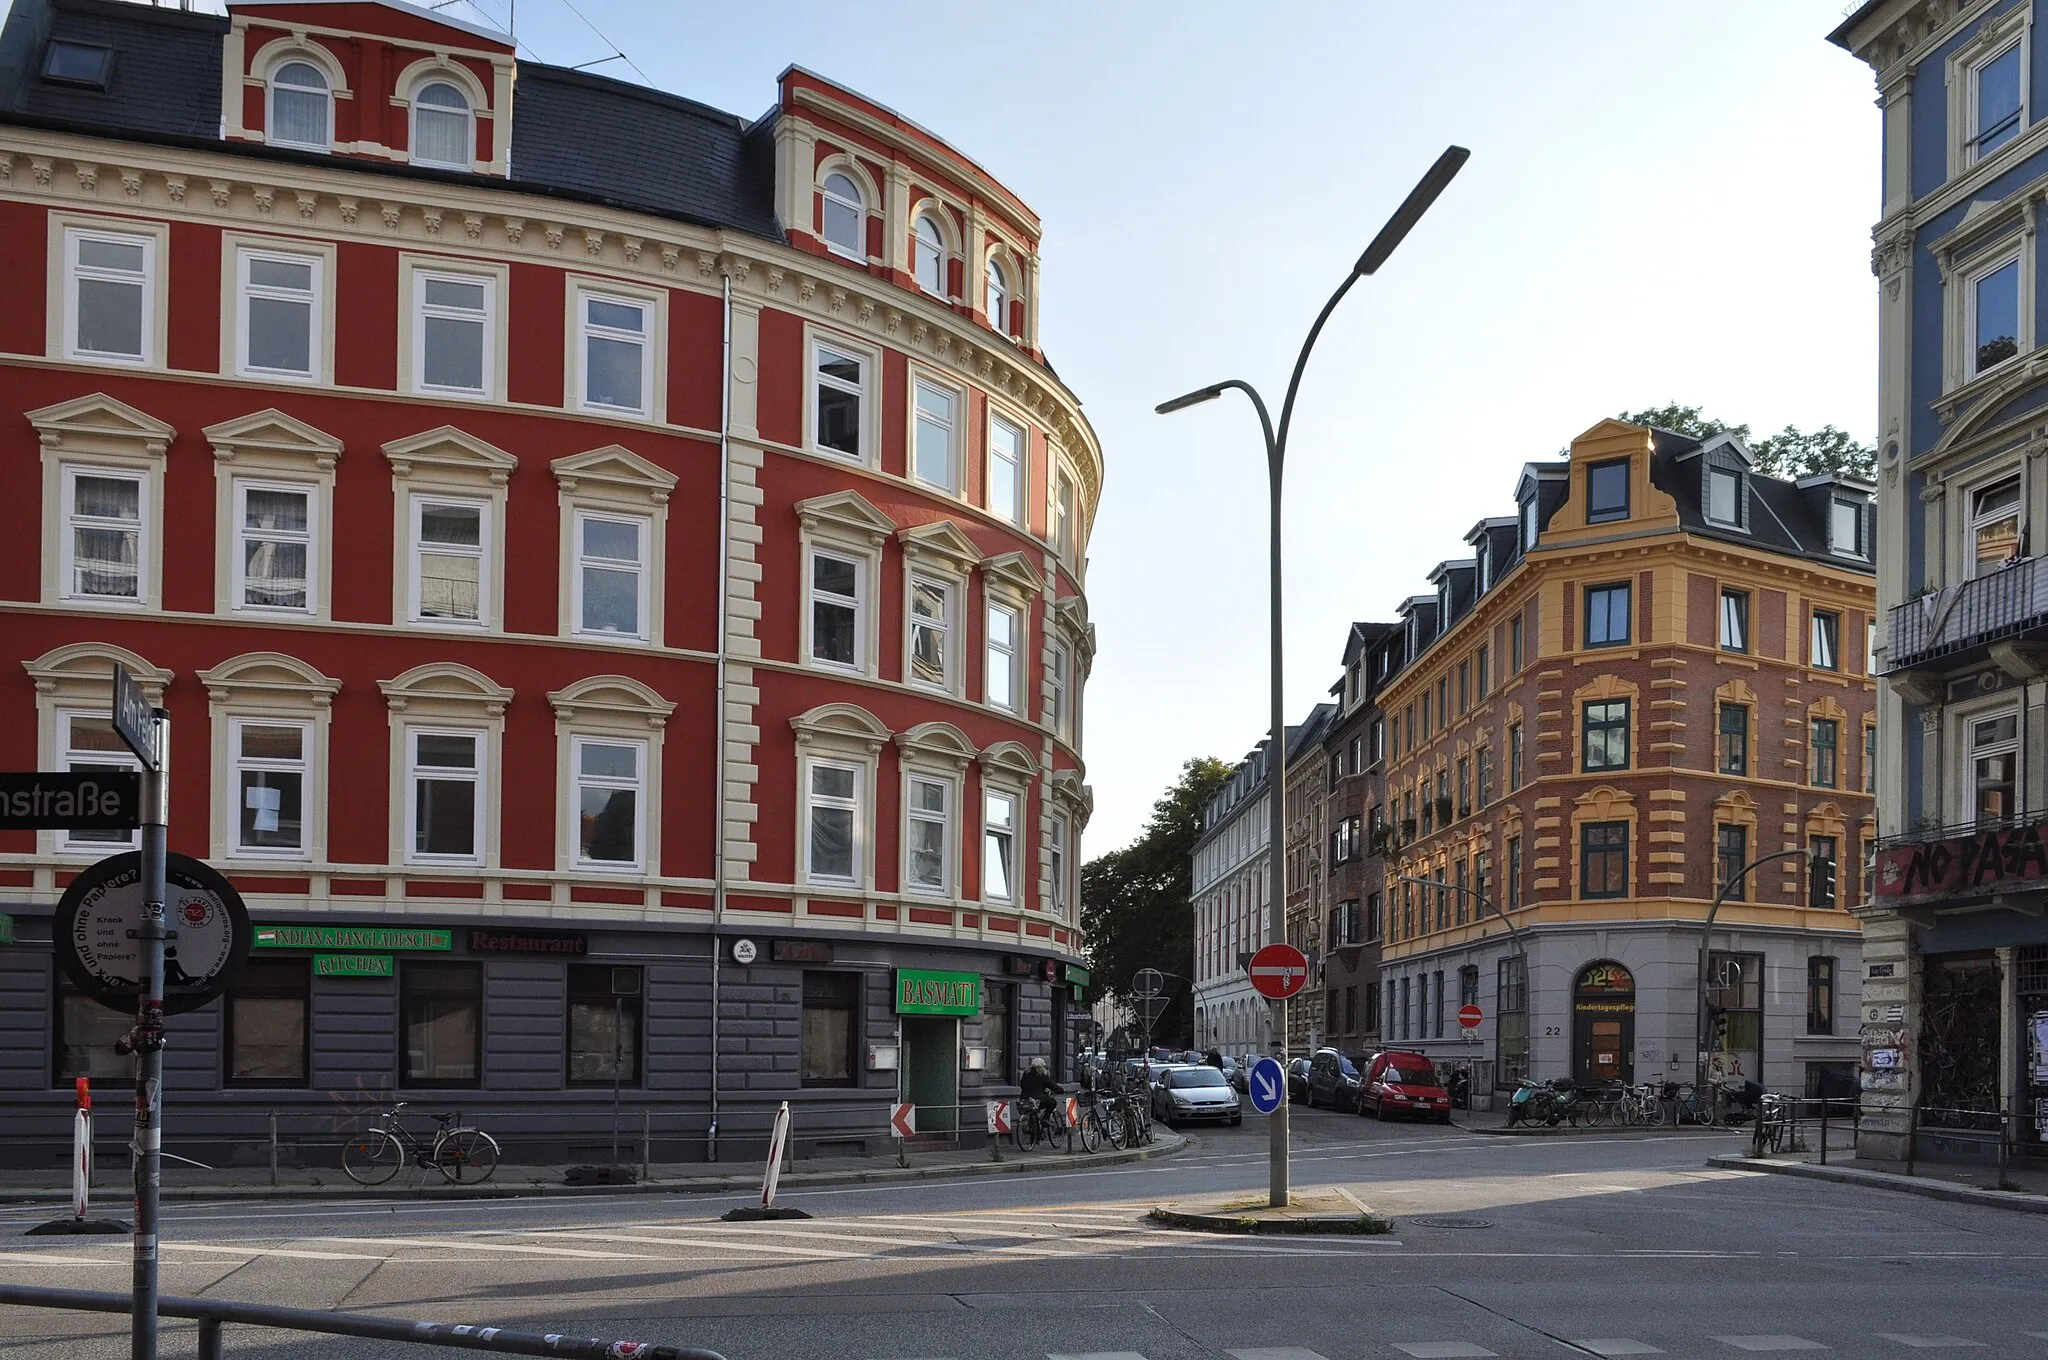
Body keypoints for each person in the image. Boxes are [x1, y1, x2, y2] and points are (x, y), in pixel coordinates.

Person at [1020, 1056, 1061, 1125]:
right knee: (1052, 1102)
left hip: (1025, 1099)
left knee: (1032, 1111)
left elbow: (1023, 1084)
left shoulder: (1026, 1074)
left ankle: (1032, 1130)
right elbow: (1052, 1085)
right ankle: (1045, 1119)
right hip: (1037, 1099)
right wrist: (1060, 1090)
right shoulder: (1042, 1075)